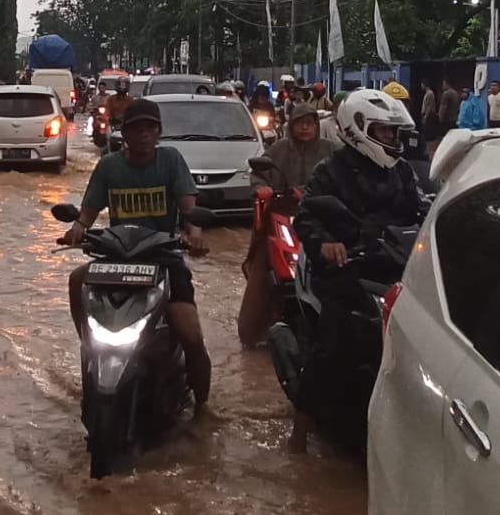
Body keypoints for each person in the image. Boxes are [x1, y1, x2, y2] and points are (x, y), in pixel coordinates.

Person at [288, 89, 423, 453]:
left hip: (394, 269)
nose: (391, 139)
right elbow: (306, 217)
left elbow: (421, 211)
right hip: (345, 270)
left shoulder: (402, 172)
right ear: (358, 129)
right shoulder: (331, 172)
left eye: (393, 133)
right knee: (331, 346)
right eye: (384, 132)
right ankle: (298, 437)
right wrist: (327, 244)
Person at [58, 98, 213, 410]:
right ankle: (89, 346)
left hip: (163, 258)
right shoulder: (109, 166)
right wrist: (76, 231)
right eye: (136, 128)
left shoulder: (171, 161)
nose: (143, 134)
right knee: (77, 280)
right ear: (123, 133)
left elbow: (190, 211)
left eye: (150, 128)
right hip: (118, 257)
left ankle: (203, 406)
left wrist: (194, 236)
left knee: (191, 335)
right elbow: (86, 215)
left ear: (158, 133)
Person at [240, 102, 340, 345]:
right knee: (261, 264)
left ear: (317, 125)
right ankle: (251, 331)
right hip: (281, 218)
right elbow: (257, 173)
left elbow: (347, 176)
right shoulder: (279, 150)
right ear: (291, 125)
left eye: (310, 123)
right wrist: (261, 188)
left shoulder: (332, 151)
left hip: (322, 222)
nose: (305, 128)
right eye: (300, 123)